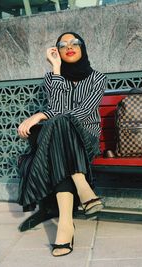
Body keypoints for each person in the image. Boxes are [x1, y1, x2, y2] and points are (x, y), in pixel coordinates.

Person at [17, 32, 106, 257]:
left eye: (74, 43)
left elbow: (83, 113)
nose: (69, 47)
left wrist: (40, 114)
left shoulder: (98, 78)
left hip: (86, 140)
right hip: (62, 144)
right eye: (63, 44)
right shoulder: (52, 78)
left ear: (83, 47)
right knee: (56, 133)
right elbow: (57, 109)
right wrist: (56, 69)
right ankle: (79, 190)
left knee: (60, 124)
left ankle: (66, 227)